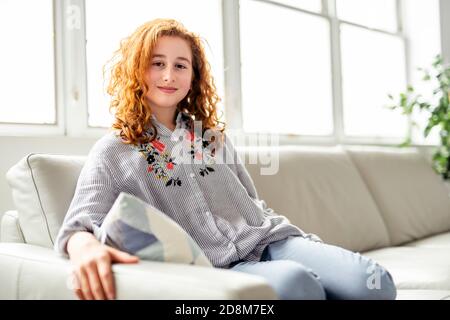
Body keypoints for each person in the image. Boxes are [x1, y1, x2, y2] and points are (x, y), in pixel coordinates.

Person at [55, 18, 397, 301]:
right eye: (157, 64)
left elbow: (252, 202)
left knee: (375, 283)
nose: (169, 76)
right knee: (298, 286)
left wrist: (304, 245)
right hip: (218, 267)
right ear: (137, 70)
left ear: (194, 76)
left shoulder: (213, 138)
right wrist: (85, 248)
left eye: (180, 65)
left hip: (271, 242)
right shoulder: (113, 149)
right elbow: (80, 223)